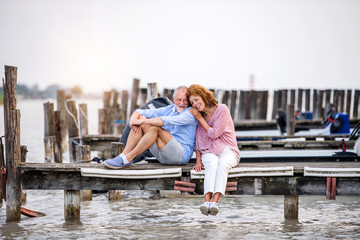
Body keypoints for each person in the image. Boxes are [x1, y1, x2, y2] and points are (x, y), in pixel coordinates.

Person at [104, 86, 198, 169]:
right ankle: (123, 155)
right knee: (141, 119)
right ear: (173, 99)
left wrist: (142, 121)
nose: (182, 103)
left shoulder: (191, 113)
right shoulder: (170, 109)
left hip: (180, 156)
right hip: (163, 155)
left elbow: (165, 120)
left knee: (154, 127)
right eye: (179, 100)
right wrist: (133, 119)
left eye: (185, 100)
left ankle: (128, 158)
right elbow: (141, 111)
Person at [187, 84, 240, 216]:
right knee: (211, 164)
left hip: (228, 150)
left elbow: (214, 133)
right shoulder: (200, 116)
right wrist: (198, 161)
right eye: (192, 102)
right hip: (209, 151)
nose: (195, 104)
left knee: (222, 165)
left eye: (196, 99)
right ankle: (206, 202)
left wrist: (199, 118)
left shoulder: (222, 109)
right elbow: (198, 141)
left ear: (203, 96)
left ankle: (215, 202)